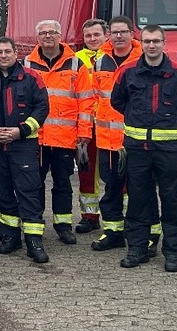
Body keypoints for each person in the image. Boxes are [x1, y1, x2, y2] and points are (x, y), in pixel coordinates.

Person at [111, 24, 177, 272]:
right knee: (138, 200)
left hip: (170, 148)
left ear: (165, 44)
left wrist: (175, 116)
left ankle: (173, 252)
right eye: (147, 41)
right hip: (137, 148)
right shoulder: (128, 72)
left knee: (171, 199)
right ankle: (138, 249)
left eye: (156, 41)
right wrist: (135, 115)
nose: (151, 45)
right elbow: (116, 101)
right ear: (141, 44)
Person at [0, 37, 51, 263]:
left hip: (23, 144)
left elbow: (42, 108)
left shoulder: (32, 77)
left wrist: (22, 130)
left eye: (8, 51)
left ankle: (34, 242)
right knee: (2, 191)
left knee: (29, 191)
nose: (3, 55)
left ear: (16, 53)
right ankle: (11, 237)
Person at [21, 19, 95, 246]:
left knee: (63, 184)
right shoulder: (27, 63)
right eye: (43, 33)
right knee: (36, 183)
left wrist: (84, 133)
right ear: (37, 38)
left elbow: (86, 101)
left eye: (52, 32)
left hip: (65, 137)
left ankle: (63, 226)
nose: (47, 37)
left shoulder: (76, 64)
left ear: (60, 36)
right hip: (37, 137)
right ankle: (36, 225)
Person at [88, 16, 145, 251]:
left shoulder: (144, 59)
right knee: (111, 188)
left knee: (138, 188)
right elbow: (93, 94)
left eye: (124, 31)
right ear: (109, 34)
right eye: (115, 32)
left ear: (133, 34)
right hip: (107, 139)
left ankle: (137, 230)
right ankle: (112, 231)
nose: (119, 36)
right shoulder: (100, 60)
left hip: (136, 138)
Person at [73, 18, 108, 235]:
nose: (93, 39)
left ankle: (119, 217)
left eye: (97, 35)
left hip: (111, 125)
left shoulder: (113, 58)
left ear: (106, 36)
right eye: (88, 36)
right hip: (85, 125)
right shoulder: (75, 60)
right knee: (86, 172)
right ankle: (89, 216)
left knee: (117, 173)